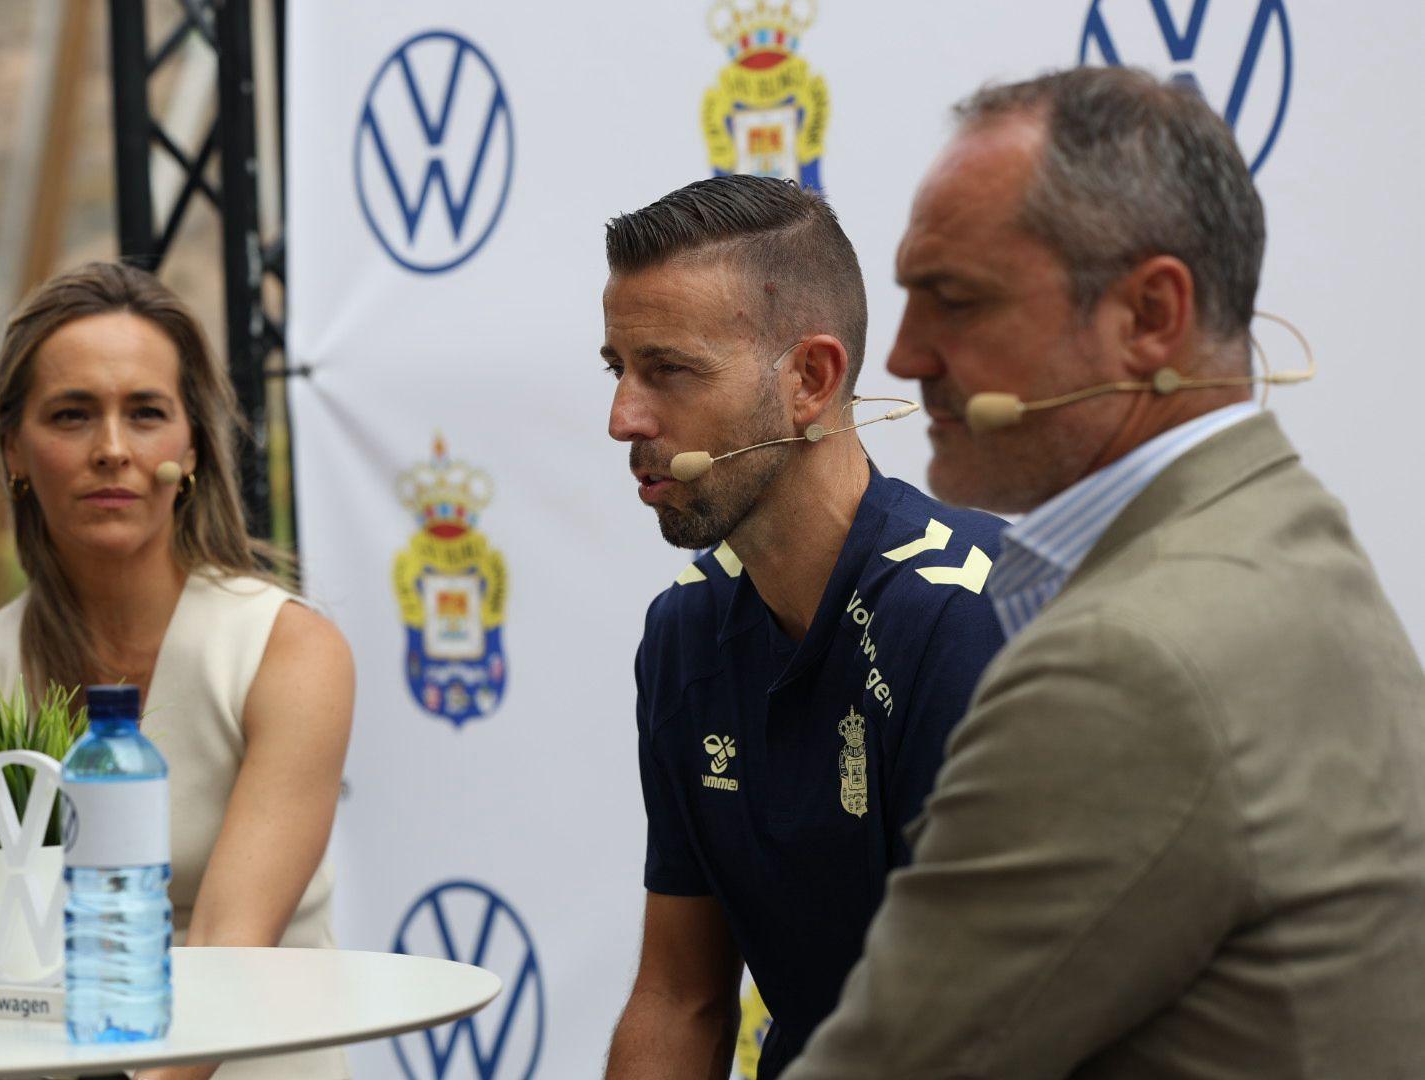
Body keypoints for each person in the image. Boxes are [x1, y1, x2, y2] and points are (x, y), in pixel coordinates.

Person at [785, 67, 1425, 1079]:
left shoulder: (1127, 665)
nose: (902, 359)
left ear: (1150, 316)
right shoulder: (1286, 535)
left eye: (954, 299)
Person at [599, 175, 1008, 1079]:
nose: (624, 416)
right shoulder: (686, 634)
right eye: (617, 369)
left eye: (668, 369)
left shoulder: (970, 622)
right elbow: (682, 998)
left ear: (811, 381)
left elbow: (990, 1030)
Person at [0, 261, 354, 1080]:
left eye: (145, 413)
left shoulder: (287, 649)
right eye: (72, 415)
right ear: (14, 449)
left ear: (189, 450)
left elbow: (228, 948)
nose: (112, 450)